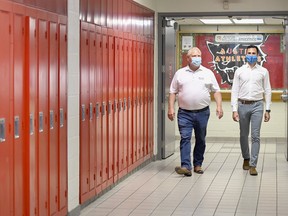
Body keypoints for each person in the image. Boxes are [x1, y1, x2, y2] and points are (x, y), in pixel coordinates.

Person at [168, 47, 223, 177]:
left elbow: (216, 91)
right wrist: (171, 108)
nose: (197, 58)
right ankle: (186, 166)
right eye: (194, 55)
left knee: (201, 139)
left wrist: (219, 106)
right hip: (184, 113)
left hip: (202, 113)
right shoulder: (180, 73)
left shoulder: (208, 73)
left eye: (199, 55)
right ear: (188, 58)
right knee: (185, 138)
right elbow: (172, 92)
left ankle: (198, 164)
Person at [231, 45, 272, 176]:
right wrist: (234, 109)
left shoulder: (263, 71)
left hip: (257, 105)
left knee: (255, 136)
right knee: (243, 135)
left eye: (254, 53)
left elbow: (268, 90)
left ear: (258, 55)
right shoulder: (239, 71)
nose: (251, 55)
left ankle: (253, 165)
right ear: (245, 55)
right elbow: (234, 91)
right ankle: (246, 158)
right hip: (242, 105)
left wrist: (268, 109)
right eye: (249, 53)